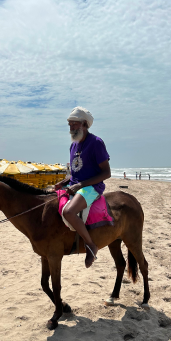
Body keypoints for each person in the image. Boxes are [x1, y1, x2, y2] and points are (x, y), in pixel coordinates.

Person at [54, 106, 111, 268]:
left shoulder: (96, 143)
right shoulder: (73, 145)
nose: (71, 128)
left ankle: (90, 245)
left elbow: (107, 173)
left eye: (75, 124)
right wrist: (64, 183)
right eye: (70, 125)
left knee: (69, 211)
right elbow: (75, 172)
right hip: (76, 185)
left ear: (85, 124)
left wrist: (80, 184)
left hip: (92, 187)